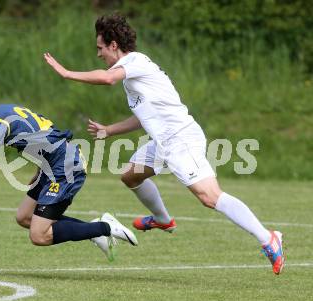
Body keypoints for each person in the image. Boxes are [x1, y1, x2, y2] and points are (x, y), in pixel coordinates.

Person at [43, 14, 285, 274]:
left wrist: (67, 73)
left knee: (210, 196)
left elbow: (106, 78)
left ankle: (268, 238)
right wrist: (110, 130)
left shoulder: (134, 61)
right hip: (163, 141)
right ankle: (162, 220)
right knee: (131, 176)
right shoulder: (133, 76)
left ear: (114, 45)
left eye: (100, 48)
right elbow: (144, 116)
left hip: (180, 138)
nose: (99, 54)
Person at [0, 93, 138, 261]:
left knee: (39, 235)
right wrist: (40, 169)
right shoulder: (2, 112)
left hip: (65, 168)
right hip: (52, 166)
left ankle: (106, 228)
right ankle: (95, 230)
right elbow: (42, 132)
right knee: (24, 217)